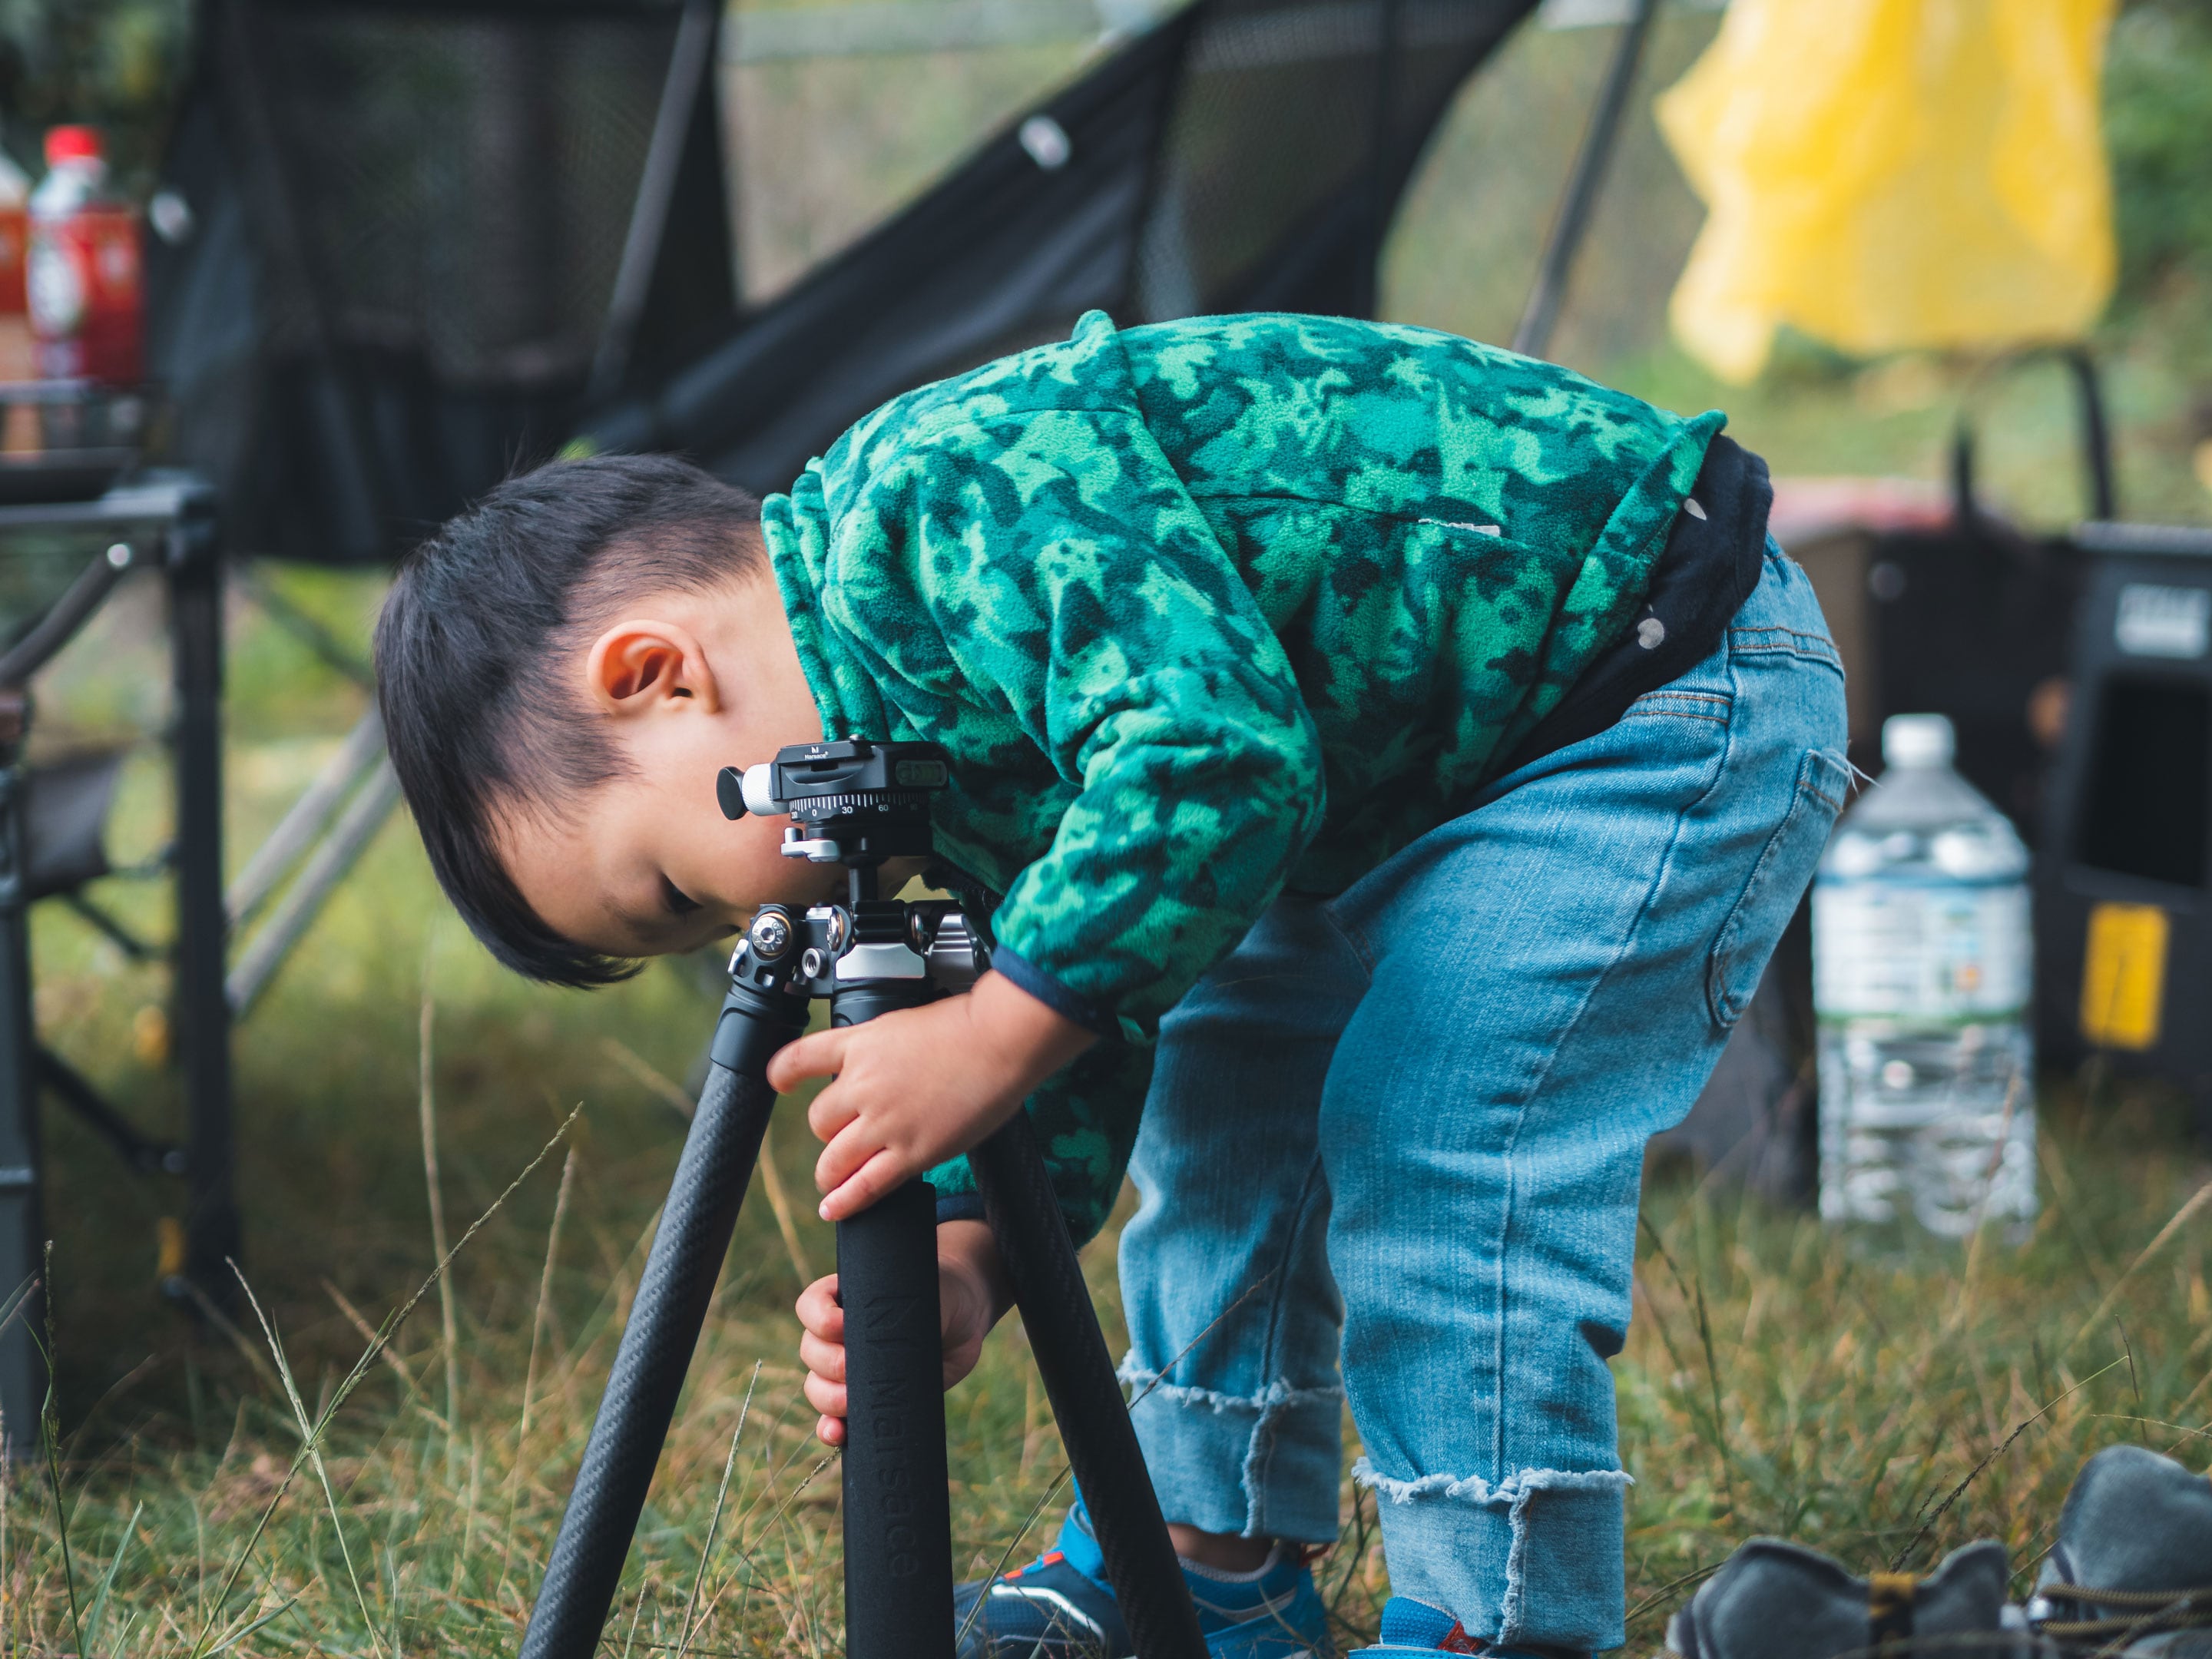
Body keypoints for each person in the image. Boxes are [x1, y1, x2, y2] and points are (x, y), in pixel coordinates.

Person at [374, 310, 1849, 1659]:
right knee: (1220, 1083)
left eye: (678, 893)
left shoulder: (951, 499)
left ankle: (1493, 1615)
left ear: (657, 675)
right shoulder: (909, 735)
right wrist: (970, 1254)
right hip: (1408, 767)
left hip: (1649, 676)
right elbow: (1105, 977)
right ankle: (1210, 1557)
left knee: (1439, 1124)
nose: (744, 926)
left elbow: (1213, 758)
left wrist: (992, 1033)